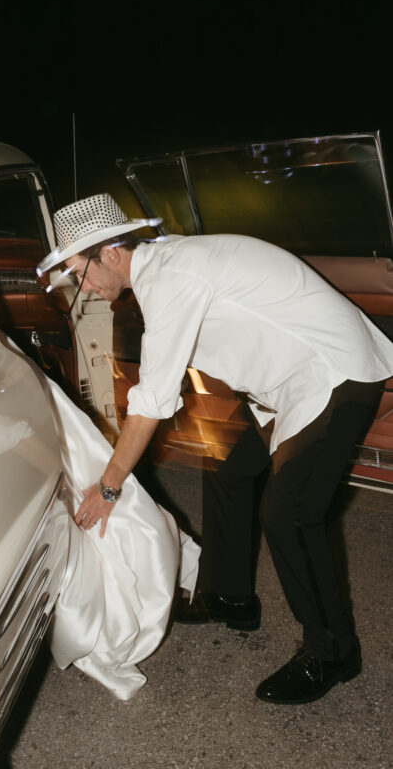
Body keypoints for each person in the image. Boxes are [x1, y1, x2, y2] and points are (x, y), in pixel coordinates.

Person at [36, 192, 393, 705]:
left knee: (289, 513)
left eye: (81, 272)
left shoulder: (171, 279)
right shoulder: (167, 263)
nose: (84, 287)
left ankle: (334, 652)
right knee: (227, 470)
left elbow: (152, 402)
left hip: (332, 372)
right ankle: (230, 596)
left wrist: (108, 487)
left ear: (110, 252)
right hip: (285, 384)